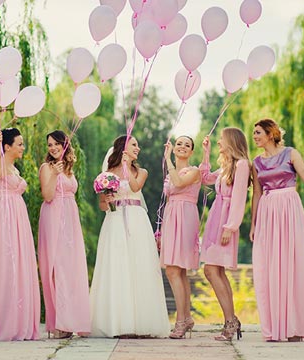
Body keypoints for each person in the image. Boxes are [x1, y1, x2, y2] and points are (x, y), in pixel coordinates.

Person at [89, 135, 170, 338]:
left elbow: (135, 187)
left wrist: (126, 166)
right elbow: (101, 205)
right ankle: (118, 323)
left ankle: (142, 324)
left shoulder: (141, 171)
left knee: (139, 266)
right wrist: (107, 200)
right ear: (123, 147)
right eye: (134, 144)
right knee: (118, 266)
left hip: (137, 220)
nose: (138, 148)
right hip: (114, 221)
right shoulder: (106, 174)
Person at [250, 119, 304, 342]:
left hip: (289, 207)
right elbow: (257, 194)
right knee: (269, 266)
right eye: (254, 133)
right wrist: (253, 224)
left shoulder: (291, 153)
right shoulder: (256, 162)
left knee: (291, 263)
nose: (255, 136)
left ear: (271, 134)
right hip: (267, 212)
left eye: (258, 132)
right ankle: (274, 327)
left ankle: (294, 325)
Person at [0, 128, 41, 341]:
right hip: (4, 213)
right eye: (20, 143)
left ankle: (19, 319)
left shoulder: (13, 167)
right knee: (6, 260)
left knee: (20, 262)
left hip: (17, 214)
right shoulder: (1, 163)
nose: (23, 147)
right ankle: (5, 321)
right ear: (7, 146)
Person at [38, 130, 91, 339]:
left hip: (70, 217)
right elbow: (48, 195)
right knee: (56, 267)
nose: (52, 148)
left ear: (64, 145)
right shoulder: (47, 168)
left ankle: (73, 320)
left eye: (55, 144)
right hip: (53, 216)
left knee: (71, 268)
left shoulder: (70, 168)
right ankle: (59, 323)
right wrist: (55, 174)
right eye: (49, 145)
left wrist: (63, 172)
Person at [199, 127, 250, 341]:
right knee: (216, 271)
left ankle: (230, 322)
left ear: (231, 141)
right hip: (216, 220)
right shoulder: (225, 168)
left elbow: (239, 198)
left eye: (221, 139)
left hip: (226, 222)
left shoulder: (242, 165)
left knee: (211, 270)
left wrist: (231, 226)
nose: (219, 141)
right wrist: (205, 153)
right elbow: (204, 178)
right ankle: (231, 321)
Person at [158, 136, 201, 339]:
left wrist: (167, 160)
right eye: (179, 143)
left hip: (185, 217)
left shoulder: (194, 171)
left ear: (191, 151)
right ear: (174, 148)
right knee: (177, 271)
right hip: (171, 217)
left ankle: (181, 320)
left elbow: (178, 182)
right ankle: (186, 318)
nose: (182, 146)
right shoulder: (170, 176)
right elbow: (167, 199)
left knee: (175, 270)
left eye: (187, 145)